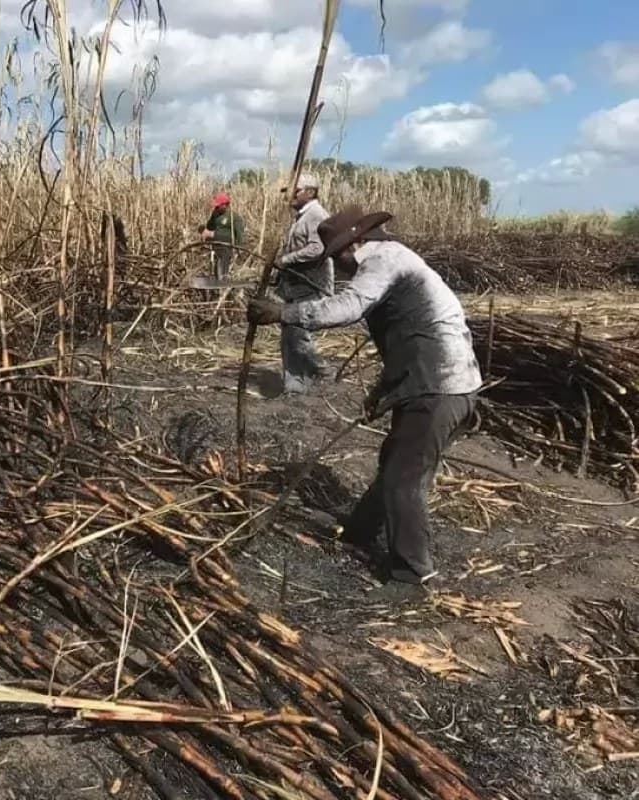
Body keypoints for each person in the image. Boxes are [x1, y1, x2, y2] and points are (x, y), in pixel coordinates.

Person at [246, 208, 482, 589]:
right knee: (394, 463)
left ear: (352, 245)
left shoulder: (384, 260)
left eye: (337, 258)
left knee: (403, 480)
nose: (339, 269)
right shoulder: (395, 260)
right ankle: (359, 531)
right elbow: (407, 339)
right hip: (438, 382)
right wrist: (383, 392)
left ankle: (412, 576)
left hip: (440, 387)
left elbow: (348, 307)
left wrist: (283, 312)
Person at [275, 174, 332, 394]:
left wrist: (286, 260)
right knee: (288, 335)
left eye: (295, 191)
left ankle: (321, 371)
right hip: (296, 284)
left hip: (311, 283)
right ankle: (294, 385)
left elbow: (317, 249)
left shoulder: (316, 215)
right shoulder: (301, 217)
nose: (290, 196)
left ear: (310, 192)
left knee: (299, 335)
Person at [200, 192, 244, 281]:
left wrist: (238, 249)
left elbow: (239, 235)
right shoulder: (215, 213)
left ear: (225, 205)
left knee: (224, 252)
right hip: (216, 241)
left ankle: (224, 276)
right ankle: (212, 271)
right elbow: (209, 226)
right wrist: (204, 230)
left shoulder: (235, 217)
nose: (216, 207)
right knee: (201, 229)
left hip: (227, 241)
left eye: (218, 206)